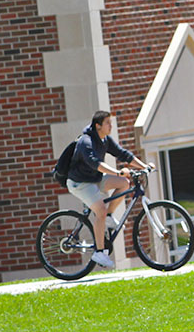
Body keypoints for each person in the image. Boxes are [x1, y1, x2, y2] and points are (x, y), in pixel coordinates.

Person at [63, 111, 153, 268]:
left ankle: (110, 217)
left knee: (124, 183)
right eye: (108, 123)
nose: (111, 126)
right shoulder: (86, 141)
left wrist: (144, 166)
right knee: (100, 211)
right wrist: (117, 171)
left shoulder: (104, 140)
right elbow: (95, 163)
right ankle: (99, 252)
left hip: (94, 178)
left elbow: (123, 154)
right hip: (80, 183)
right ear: (98, 126)